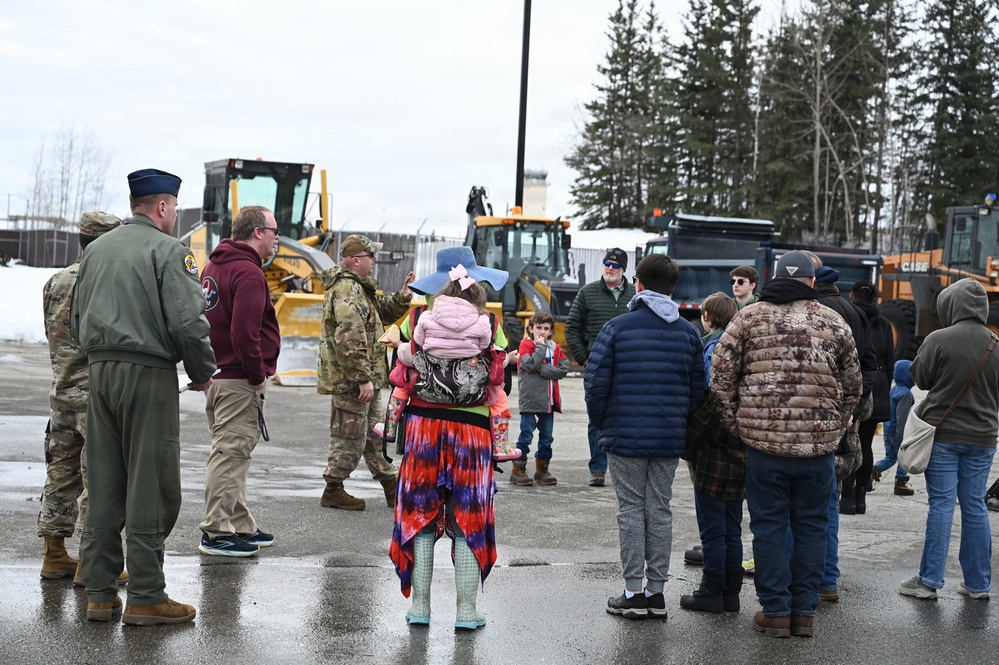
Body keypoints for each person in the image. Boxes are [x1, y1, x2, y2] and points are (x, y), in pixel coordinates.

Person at [72, 168, 216, 626]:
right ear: (162, 207)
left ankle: (99, 592)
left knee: (104, 478)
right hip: (148, 372)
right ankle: (147, 596)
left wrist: (101, 357)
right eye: (173, 207)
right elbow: (189, 321)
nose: (174, 214)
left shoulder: (96, 249)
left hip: (99, 371)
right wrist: (201, 371)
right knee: (150, 483)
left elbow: (76, 317)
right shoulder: (168, 250)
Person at [711, 250, 861, 638]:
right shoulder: (833, 321)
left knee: (769, 529)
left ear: (772, 277)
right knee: (813, 528)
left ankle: (775, 611)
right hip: (818, 452)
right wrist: (835, 429)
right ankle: (804, 614)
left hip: (763, 448)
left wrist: (738, 427)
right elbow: (853, 387)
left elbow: (721, 378)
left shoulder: (748, 318)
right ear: (812, 282)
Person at [388, 247, 510, 630]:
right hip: (471, 434)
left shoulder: (417, 317)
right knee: (467, 518)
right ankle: (466, 611)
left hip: (423, 428)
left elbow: (399, 367)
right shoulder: (488, 320)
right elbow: (498, 374)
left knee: (420, 516)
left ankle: (420, 607)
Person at [585, 254, 704, 620]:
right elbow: (699, 388)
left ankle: (633, 592)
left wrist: (603, 423)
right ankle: (656, 592)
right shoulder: (689, 332)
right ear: (673, 287)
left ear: (638, 283)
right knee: (661, 509)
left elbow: (595, 384)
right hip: (669, 437)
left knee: (631, 511)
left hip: (625, 437)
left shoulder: (617, 327)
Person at [899, 278, 999, 601]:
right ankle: (978, 584)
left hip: (942, 435)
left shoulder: (938, 339)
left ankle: (928, 582)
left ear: (952, 305)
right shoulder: (995, 345)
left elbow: (922, 379)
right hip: (983, 438)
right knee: (974, 506)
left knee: (941, 505)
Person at [38, 211, 124, 586]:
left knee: (61, 475)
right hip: (95, 399)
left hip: (61, 395)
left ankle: (54, 554)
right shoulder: (105, 282)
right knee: (99, 481)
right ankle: (91, 566)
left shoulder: (55, 281)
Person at [198, 205, 281, 557]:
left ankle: (240, 525)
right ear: (258, 232)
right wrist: (256, 374)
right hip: (237, 380)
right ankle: (216, 532)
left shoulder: (214, 266)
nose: (278, 238)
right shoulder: (248, 273)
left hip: (219, 375)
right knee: (231, 455)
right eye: (274, 231)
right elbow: (244, 332)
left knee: (232, 454)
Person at [379, 265, 520, 461]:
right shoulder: (489, 322)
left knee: (402, 383)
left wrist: (402, 347)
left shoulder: (417, 318)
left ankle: (389, 427)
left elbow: (404, 360)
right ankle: (501, 445)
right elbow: (498, 365)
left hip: (422, 423)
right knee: (499, 397)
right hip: (474, 423)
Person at [317, 234, 414, 510]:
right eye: (371, 256)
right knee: (349, 434)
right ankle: (333, 488)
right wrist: (361, 379)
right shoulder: (347, 290)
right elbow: (350, 338)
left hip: (364, 377)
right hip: (353, 378)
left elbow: (380, 313)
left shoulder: (359, 288)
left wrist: (403, 296)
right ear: (355, 259)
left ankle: (391, 485)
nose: (374, 260)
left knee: (375, 433)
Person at [680, 291, 745, 614]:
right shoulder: (743, 347)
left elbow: (709, 403)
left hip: (714, 453)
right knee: (732, 525)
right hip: (742, 449)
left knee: (713, 527)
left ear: (707, 316)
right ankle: (732, 592)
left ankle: (710, 589)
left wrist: (688, 445)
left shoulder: (713, 349)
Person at [565, 247, 636, 487]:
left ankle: (624, 469)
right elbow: (571, 327)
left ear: (623, 269)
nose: (610, 268)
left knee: (627, 416)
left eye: (615, 265)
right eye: (607, 263)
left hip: (627, 367)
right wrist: (584, 357)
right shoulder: (587, 292)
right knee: (596, 417)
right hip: (597, 366)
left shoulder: (635, 295)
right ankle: (598, 468)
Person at [847, 279, 895, 508]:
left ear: (852, 295)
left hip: (855, 385)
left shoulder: (849, 317)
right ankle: (861, 497)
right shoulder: (884, 323)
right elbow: (889, 361)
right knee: (865, 445)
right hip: (877, 388)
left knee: (848, 443)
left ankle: (846, 498)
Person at [512, 311, 570, 486]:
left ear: (551, 331)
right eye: (538, 328)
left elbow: (563, 369)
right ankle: (518, 468)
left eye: (546, 329)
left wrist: (543, 371)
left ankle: (542, 469)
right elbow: (529, 364)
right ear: (531, 329)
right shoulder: (526, 344)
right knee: (526, 434)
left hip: (548, 401)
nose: (542, 332)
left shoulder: (555, 348)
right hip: (530, 399)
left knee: (547, 437)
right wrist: (540, 347)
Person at [875, 360, 916, 496]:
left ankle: (874, 470)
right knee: (904, 458)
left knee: (891, 458)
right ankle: (901, 483)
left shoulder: (893, 390)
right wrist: (903, 436)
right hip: (899, 433)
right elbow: (902, 418)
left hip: (888, 431)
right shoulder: (905, 394)